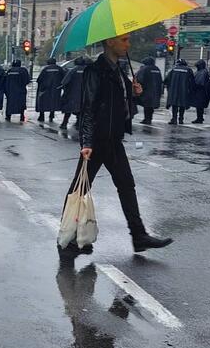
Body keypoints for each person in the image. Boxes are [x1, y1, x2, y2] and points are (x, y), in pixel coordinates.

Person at [59, 33, 172, 260]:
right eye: (124, 40)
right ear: (110, 42)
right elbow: (88, 108)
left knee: (126, 185)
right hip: (97, 141)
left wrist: (135, 93)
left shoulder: (119, 70)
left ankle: (138, 236)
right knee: (80, 188)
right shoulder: (95, 71)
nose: (128, 44)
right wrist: (87, 142)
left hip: (114, 140)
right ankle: (69, 236)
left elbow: (120, 103)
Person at [59, 56, 87, 130]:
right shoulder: (88, 71)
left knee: (69, 109)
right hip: (84, 94)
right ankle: (79, 123)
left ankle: (64, 123)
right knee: (81, 109)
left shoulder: (73, 70)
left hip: (72, 94)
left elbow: (65, 81)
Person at [163, 59, 194, 125]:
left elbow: (167, 79)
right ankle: (181, 119)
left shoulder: (173, 69)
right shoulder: (188, 70)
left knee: (174, 105)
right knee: (182, 105)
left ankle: (174, 119)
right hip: (184, 90)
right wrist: (191, 90)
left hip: (174, 90)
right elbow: (192, 81)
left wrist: (168, 87)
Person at [134, 56, 163, 125]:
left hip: (147, 90)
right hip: (156, 90)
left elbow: (139, 79)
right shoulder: (157, 69)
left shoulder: (144, 69)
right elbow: (161, 80)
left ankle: (147, 119)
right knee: (151, 105)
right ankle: (150, 118)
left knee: (147, 105)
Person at [35, 58, 65, 123]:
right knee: (53, 102)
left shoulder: (45, 69)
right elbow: (64, 78)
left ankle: (41, 116)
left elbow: (39, 79)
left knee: (42, 102)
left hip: (45, 89)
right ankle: (51, 115)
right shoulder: (60, 69)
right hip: (56, 89)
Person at [191, 59, 210, 124]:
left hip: (201, 91)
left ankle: (200, 118)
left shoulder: (202, 72)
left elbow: (199, 82)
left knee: (199, 105)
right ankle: (199, 118)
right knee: (199, 106)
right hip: (200, 91)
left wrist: (194, 86)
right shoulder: (201, 71)